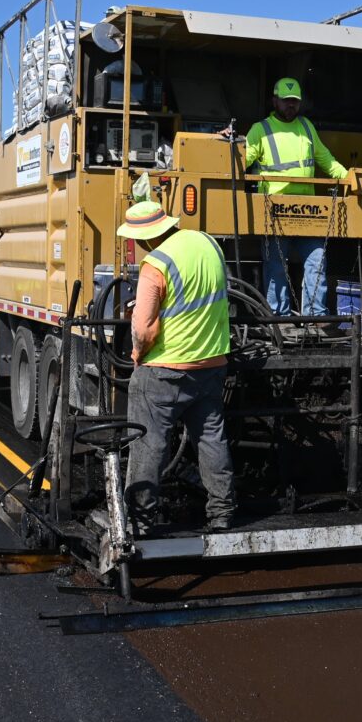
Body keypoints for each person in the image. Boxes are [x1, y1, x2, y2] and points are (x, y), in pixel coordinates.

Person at [119, 200, 236, 533]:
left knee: (148, 444)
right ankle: (222, 514)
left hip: (164, 370)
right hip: (211, 363)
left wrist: (139, 353)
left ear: (145, 237)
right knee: (212, 440)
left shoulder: (155, 263)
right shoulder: (208, 243)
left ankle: (140, 522)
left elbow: (142, 328)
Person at [241, 77, 348, 315]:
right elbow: (241, 160)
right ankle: (279, 317)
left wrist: (350, 178)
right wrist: (227, 146)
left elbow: (326, 160)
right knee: (277, 267)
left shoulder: (307, 127)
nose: (291, 106)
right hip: (275, 210)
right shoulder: (261, 130)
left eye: (295, 102)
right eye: (286, 101)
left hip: (308, 211)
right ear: (274, 100)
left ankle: (315, 316)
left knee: (317, 261)